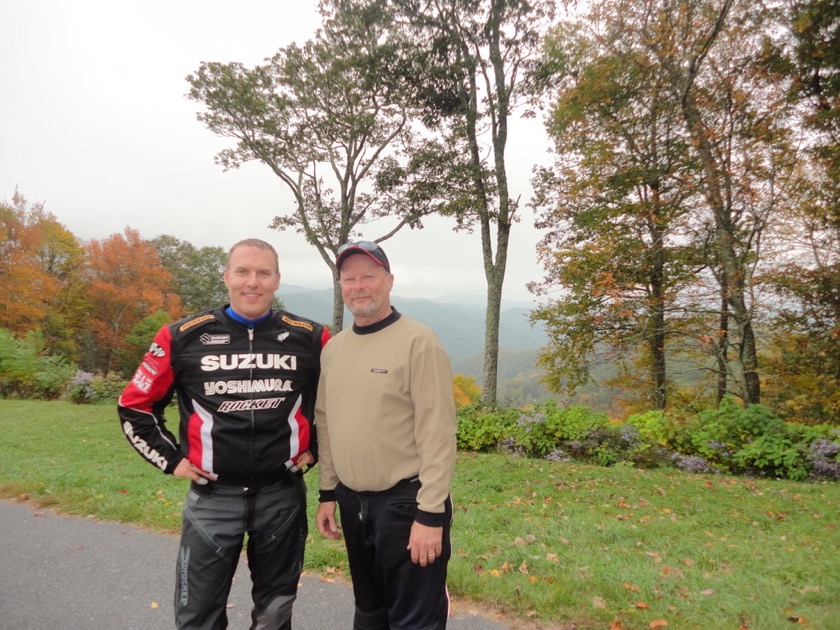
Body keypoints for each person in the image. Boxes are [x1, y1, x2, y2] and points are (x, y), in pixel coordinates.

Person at [118, 238, 331, 630]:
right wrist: (172, 461)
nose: (253, 282)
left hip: (281, 496)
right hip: (213, 498)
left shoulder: (311, 338)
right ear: (226, 276)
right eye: (243, 272)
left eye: (263, 273)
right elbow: (134, 406)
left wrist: (315, 447)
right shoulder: (181, 337)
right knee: (197, 616)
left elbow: (337, 406)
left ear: (277, 280)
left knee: (275, 615)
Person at [314, 240, 457, 630]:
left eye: (369, 276)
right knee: (370, 614)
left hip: (407, 505)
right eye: (349, 278)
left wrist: (431, 514)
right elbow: (325, 422)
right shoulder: (334, 349)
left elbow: (438, 432)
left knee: (415, 621)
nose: (359, 285)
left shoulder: (418, 342)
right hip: (352, 504)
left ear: (389, 281)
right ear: (341, 285)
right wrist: (328, 492)